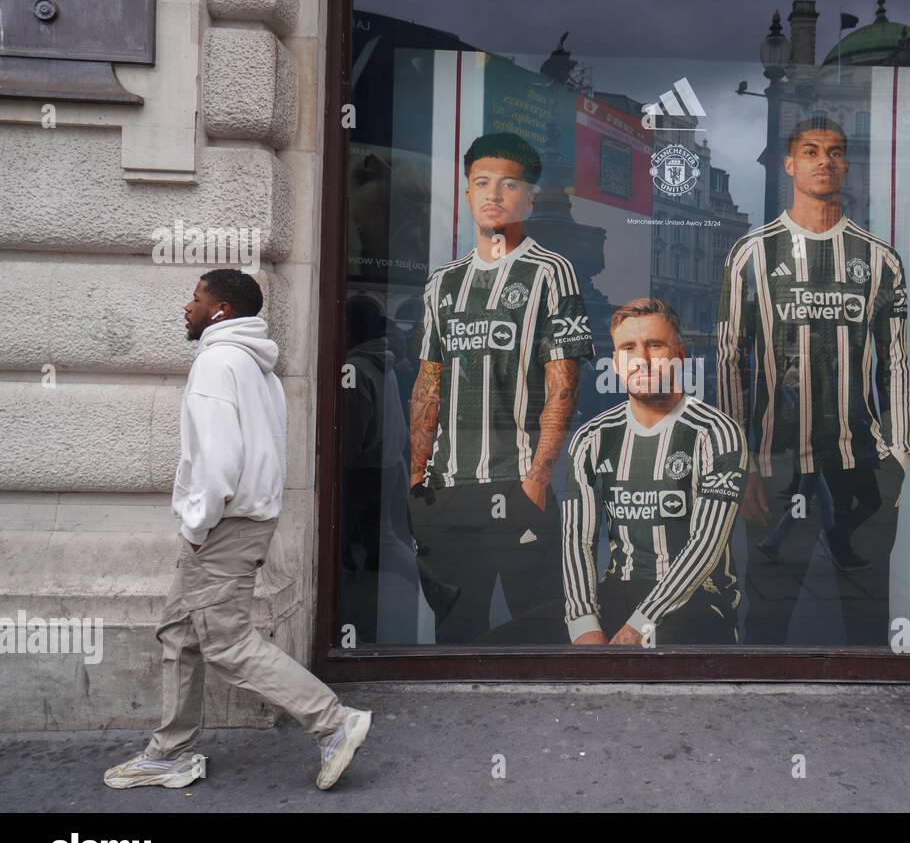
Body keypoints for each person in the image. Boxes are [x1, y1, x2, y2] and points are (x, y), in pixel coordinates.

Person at [105, 269, 371, 791]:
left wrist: (199, 524)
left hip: (222, 527)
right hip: (242, 521)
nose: (187, 307)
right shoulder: (255, 366)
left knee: (226, 644)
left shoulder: (217, 363)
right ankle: (171, 752)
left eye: (197, 298)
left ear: (221, 310)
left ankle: (333, 722)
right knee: (180, 635)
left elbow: (219, 460)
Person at [716, 116, 910, 645]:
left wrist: (900, 454)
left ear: (847, 164)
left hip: (863, 462)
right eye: (810, 151)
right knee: (766, 616)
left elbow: (895, 363)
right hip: (775, 461)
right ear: (790, 164)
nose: (824, 160)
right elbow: (731, 360)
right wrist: (741, 465)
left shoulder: (879, 259)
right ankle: (757, 714)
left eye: (835, 151)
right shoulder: (752, 254)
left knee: (865, 617)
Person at [408, 133, 593, 642]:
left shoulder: (551, 272)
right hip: (446, 489)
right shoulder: (442, 282)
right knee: (455, 629)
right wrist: (416, 478)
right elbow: (429, 381)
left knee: (534, 627)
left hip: (518, 482)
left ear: (529, 197)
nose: (493, 193)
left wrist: (537, 478)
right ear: (467, 193)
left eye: (509, 184)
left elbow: (564, 385)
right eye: (481, 182)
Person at [481, 298, 746, 646]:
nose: (643, 359)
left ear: (679, 356)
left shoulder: (716, 432)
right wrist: (583, 623)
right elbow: (579, 540)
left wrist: (640, 626)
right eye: (629, 348)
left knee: (638, 666)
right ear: (617, 363)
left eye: (654, 345)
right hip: (617, 591)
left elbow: (705, 547)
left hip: (699, 599)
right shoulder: (592, 438)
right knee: (492, 650)